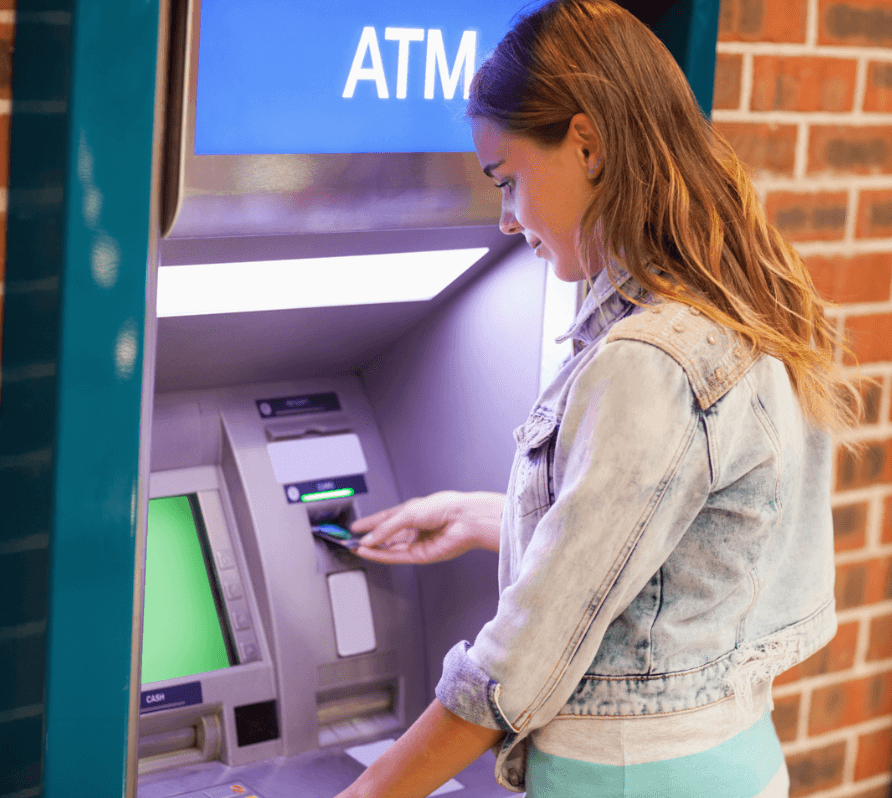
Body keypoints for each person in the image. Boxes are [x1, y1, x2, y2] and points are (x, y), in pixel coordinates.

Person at [333, 1, 865, 796]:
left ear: (586, 144)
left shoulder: (650, 359)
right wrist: (484, 518)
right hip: (725, 762)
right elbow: (675, 544)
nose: (509, 220)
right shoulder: (745, 307)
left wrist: (362, 791)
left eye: (508, 181)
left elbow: (522, 662)